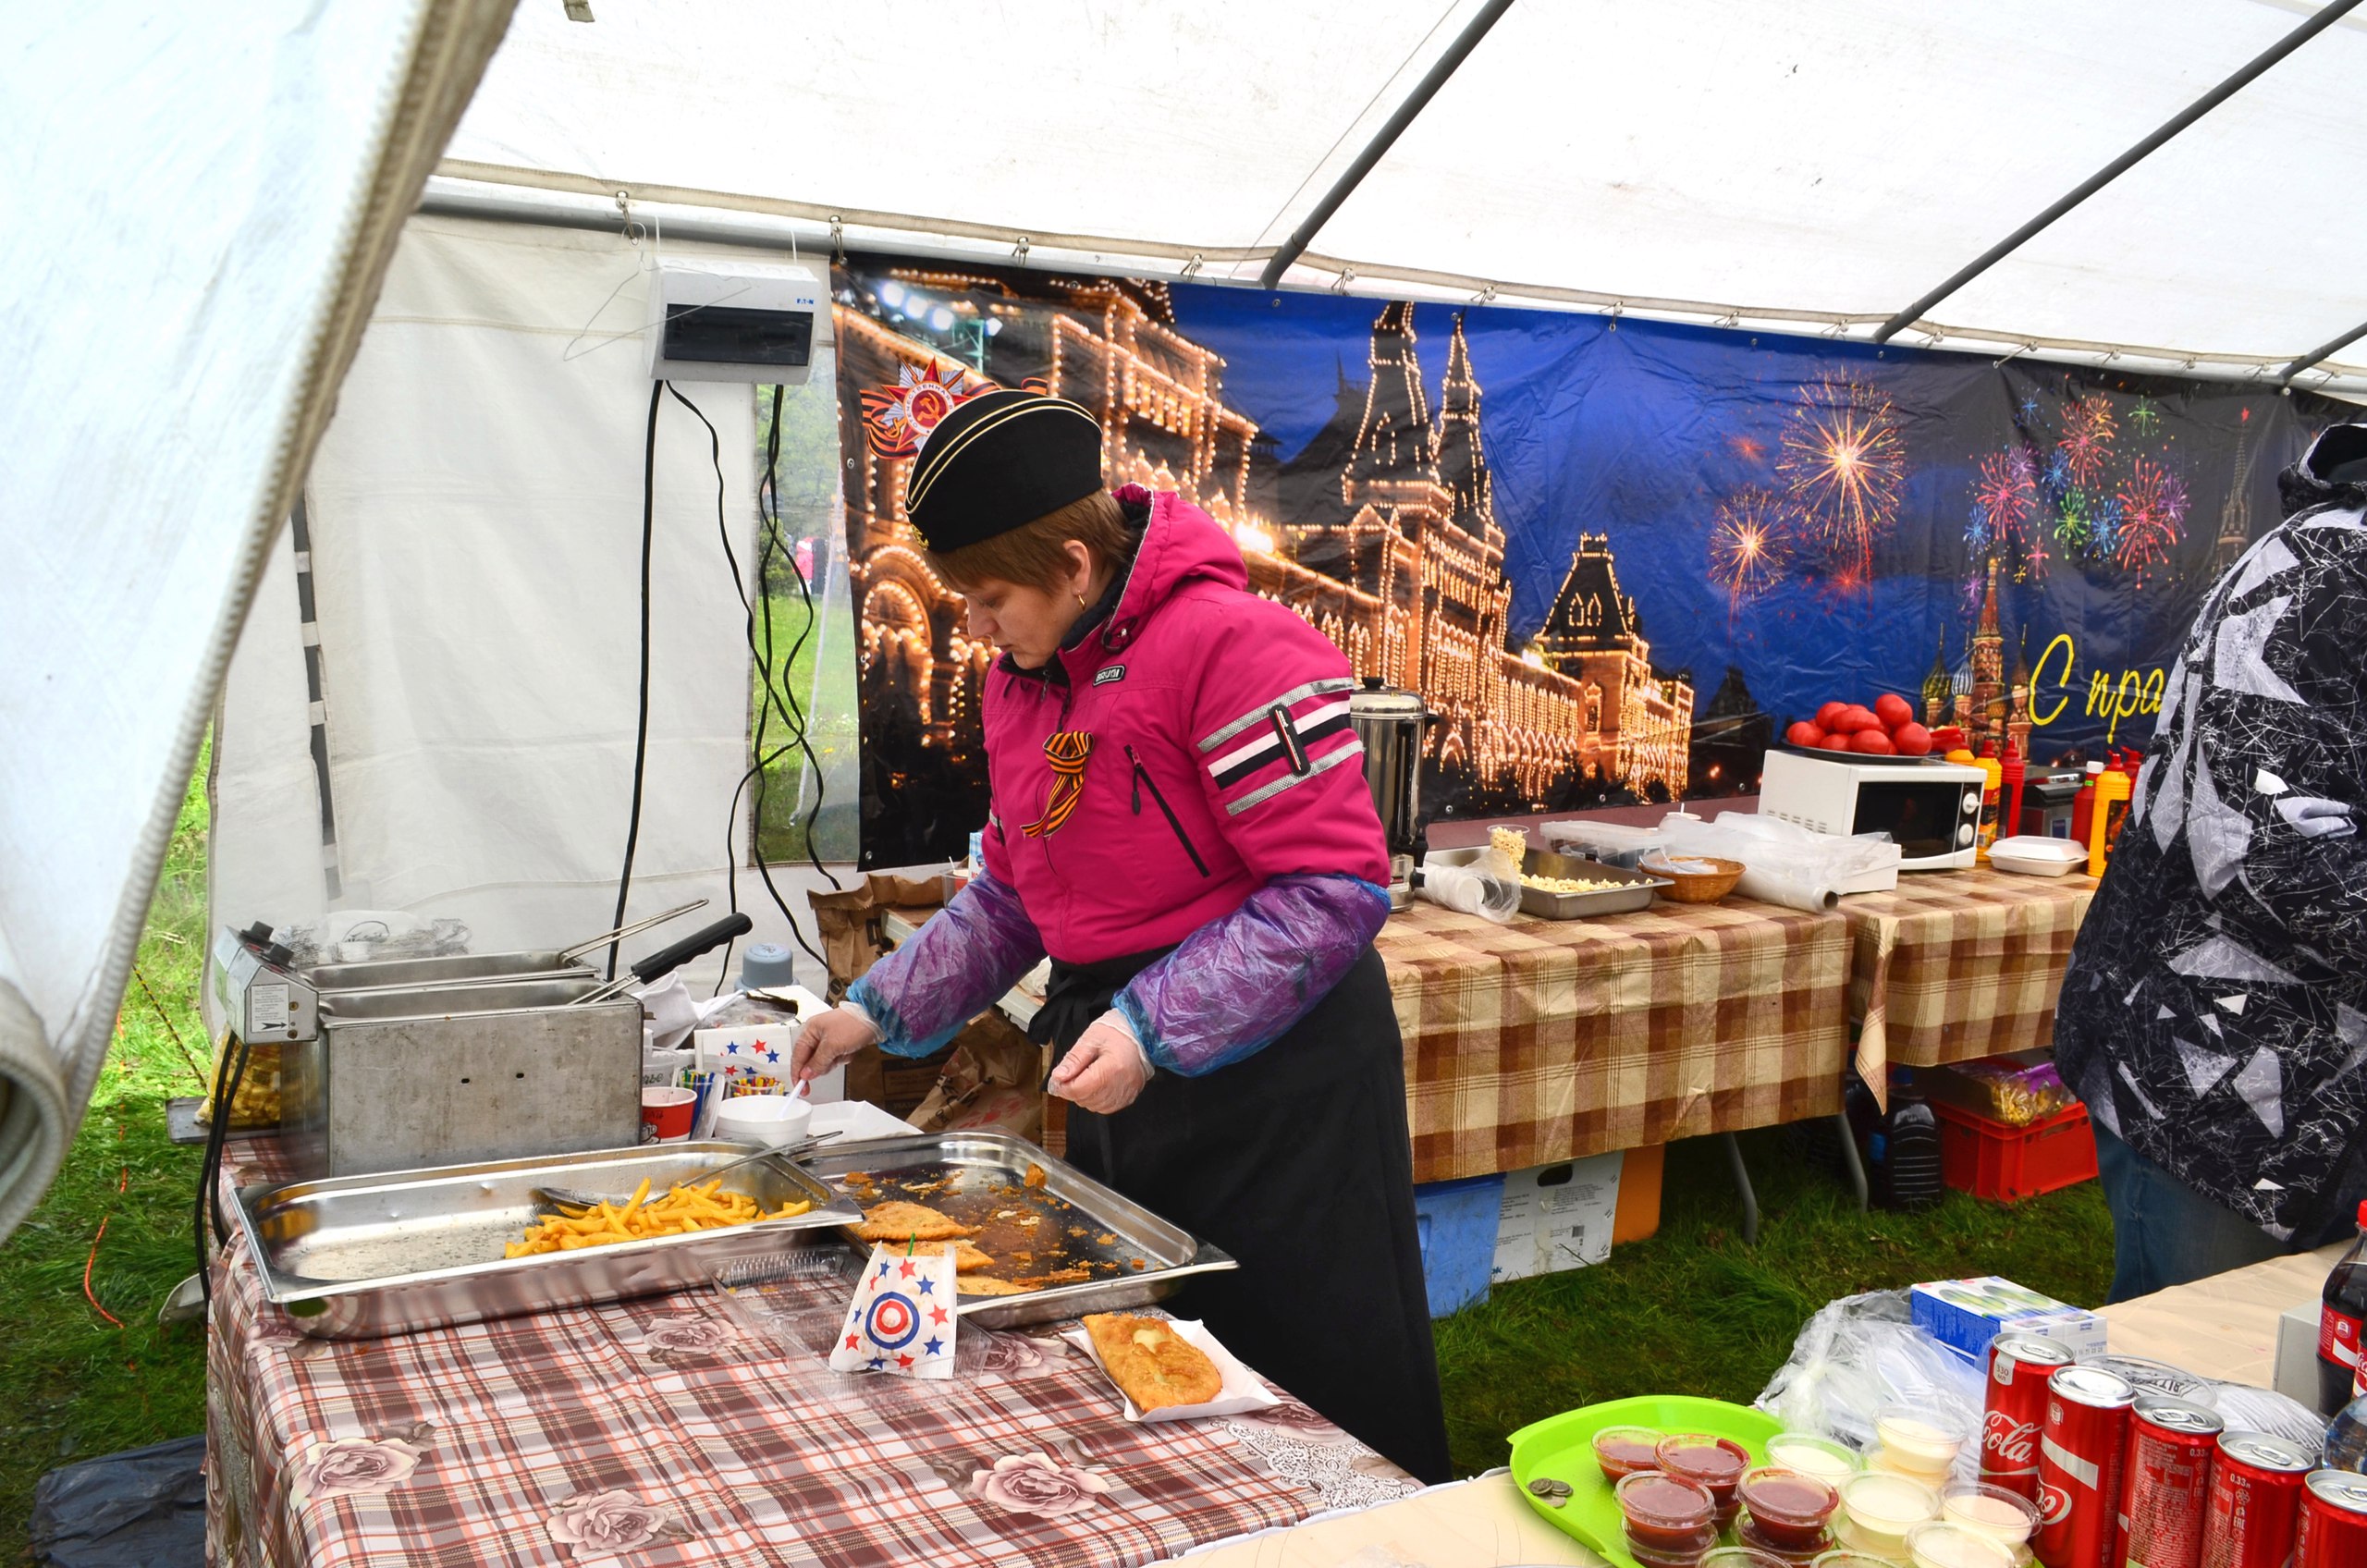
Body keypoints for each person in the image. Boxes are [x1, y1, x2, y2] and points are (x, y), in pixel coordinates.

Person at [791, 390, 1451, 1481]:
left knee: (1299, 1340)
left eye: (991, 598)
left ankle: (1358, 1522)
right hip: (1122, 1051)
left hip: (1280, 1074)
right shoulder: (1022, 684)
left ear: (1072, 565)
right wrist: (871, 1010)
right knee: (1152, 1337)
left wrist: (1154, 1023)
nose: (977, 628)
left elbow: (1330, 887)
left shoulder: (1233, 645)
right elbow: (1013, 893)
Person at [2057, 422, 2367, 1301]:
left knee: (2310, 1366)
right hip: (2218, 1087)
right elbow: (2259, 842)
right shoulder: (2334, 569)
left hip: (2321, 1090)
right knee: (2193, 1360)